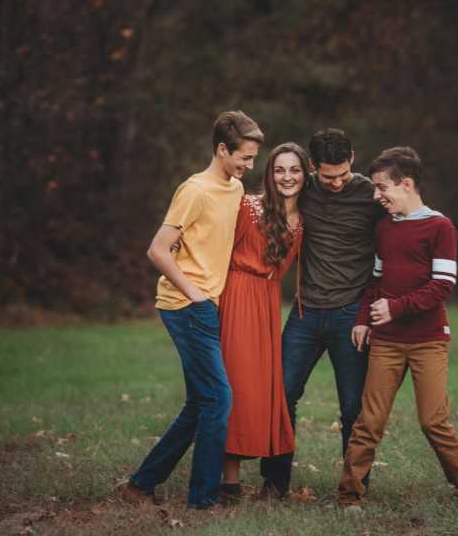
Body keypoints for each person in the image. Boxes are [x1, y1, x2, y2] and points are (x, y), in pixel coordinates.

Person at [121, 110, 264, 510]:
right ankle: (202, 499)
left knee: (200, 401)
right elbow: (157, 249)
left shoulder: (234, 188)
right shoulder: (194, 190)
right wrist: (195, 293)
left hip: (208, 305)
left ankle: (141, 484)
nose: (250, 166)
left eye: (254, 159)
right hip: (185, 305)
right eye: (244, 158)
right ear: (221, 149)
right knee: (218, 398)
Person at [337, 146, 458, 510]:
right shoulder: (384, 229)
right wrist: (363, 320)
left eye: (381, 187)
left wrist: (396, 307)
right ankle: (349, 497)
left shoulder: (440, 226)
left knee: (434, 420)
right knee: (368, 421)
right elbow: (374, 282)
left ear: (406, 184)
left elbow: (443, 285)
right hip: (386, 342)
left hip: (428, 341)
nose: (376, 196)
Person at [259, 128, 385, 497]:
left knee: (352, 407)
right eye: (327, 176)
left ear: (352, 160)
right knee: (281, 393)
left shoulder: (368, 194)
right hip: (305, 312)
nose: (336, 182)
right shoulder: (302, 188)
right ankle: (274, 481)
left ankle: (354, 484)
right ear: (313, 167)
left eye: (343, 174)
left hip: (351, 313)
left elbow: (402, 216)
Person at [217, 142, 310, 501]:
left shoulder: (303, 221)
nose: (287, 177)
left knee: (259, 389)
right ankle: (229, 481)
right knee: (237, 384)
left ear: (305, 174)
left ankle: (264, 477)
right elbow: (218, 246)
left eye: (294, 170)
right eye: (279, 170)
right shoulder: (247, 205)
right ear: (269, 175)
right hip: (237, 294)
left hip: (268, 303)